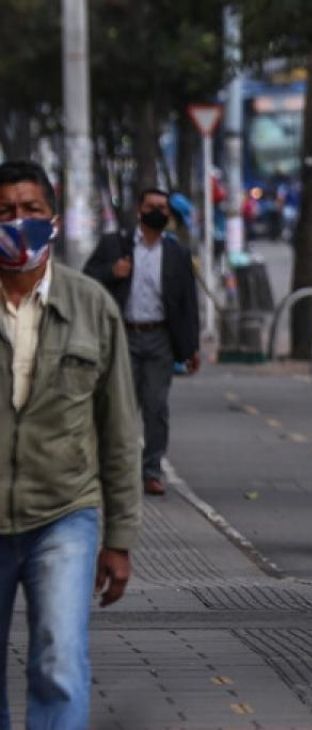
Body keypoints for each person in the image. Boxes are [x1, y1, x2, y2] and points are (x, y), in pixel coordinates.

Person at [0, 160, 140, 727]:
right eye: (5, 212)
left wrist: (120, 537)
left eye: (31, 210)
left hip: (64, 512)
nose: (18, 222)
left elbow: (120, 430)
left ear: (53, 220)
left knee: (58, 659)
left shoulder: (91, 305)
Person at [85, 188, 200, 497]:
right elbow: (87, 280)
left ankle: (152, 470)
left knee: (157, 407)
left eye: (163, 208)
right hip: (122, 336)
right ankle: (113, 471)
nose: (158, 212)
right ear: (139, 210)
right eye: (152, 207)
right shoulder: (116, 245)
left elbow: (188, 302)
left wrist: (190, 348)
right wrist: (113, 272)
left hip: (159, 338)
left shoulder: (176, 253)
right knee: (119, 408)